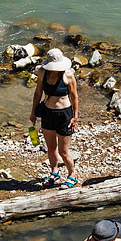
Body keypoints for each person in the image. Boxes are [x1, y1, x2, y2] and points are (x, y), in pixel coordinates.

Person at [30, 48, 79, 189]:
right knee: (51, 148)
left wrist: (75, 117)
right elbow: (38, 93)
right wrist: (33, 112)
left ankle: (72, 174)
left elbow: (74, 97)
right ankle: (54, 171)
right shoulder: (42, 72)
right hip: (47, 114)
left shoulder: (68, 75)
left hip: (64, 115)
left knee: (64, 151)